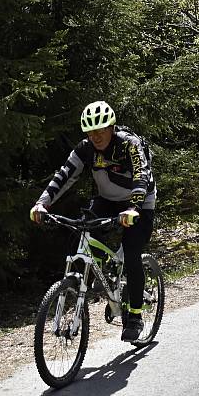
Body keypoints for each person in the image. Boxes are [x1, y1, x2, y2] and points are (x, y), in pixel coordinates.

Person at [30, 101, 156, 342]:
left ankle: (136, 316)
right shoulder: (86, 149)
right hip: (107, 200)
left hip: (139, 202)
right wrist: (41, 203)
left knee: (131, 253)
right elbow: (64, 174)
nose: (96, 136)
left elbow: (141, 175)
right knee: (83, 235)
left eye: (100, 130)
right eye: (90, 132)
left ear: (112, 127)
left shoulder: (129, 144)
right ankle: (92, 287)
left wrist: (134, 207)